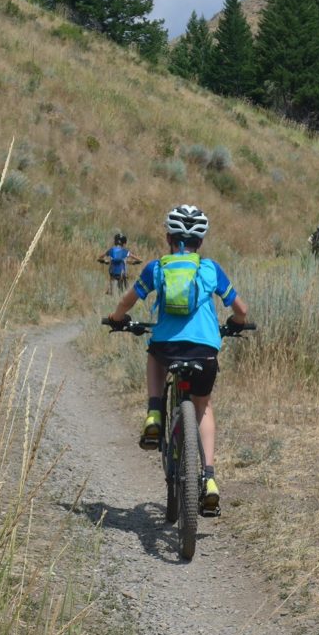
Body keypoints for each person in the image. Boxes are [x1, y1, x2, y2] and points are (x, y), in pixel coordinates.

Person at [106, 205, 250, 512]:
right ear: (200, 241)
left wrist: (117, 318)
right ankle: (209, 478)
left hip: (168, 349)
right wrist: (235, 324)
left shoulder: (157, 268)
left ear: (170, 237)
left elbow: (125, 301)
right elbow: (241, 309)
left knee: (154, 355)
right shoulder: (210, 269)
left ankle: (155, 413)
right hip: (205, 351)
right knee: (204, 405)